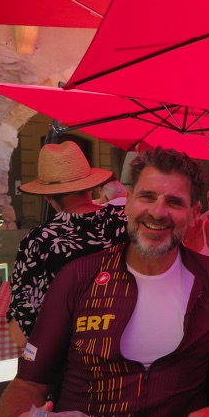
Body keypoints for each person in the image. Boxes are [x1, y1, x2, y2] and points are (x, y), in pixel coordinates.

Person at [0, 147, 209, 417]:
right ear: (129, 202)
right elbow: (28, 383)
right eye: (147, 196)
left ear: (194, 213)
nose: (157, 212)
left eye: (174, 202)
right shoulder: (77, 276)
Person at [8, 141, 128, 348]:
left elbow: (21, 334)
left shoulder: (38, 241)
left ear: (47, 196)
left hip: (74, 355)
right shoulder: (127, 219)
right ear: (92, 186)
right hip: (131, 345)